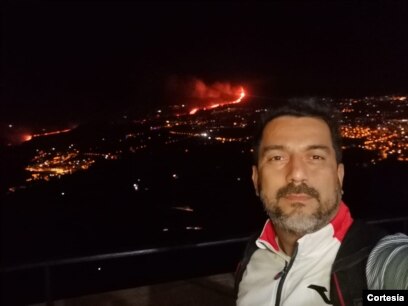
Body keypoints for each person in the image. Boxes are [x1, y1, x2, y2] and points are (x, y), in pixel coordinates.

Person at [235, 99, 408, 306]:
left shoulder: (375, 261)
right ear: (256, 180)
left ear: (339, 177)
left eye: (316, 157)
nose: (297, 174)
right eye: (277, 158)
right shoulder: (252, 260)